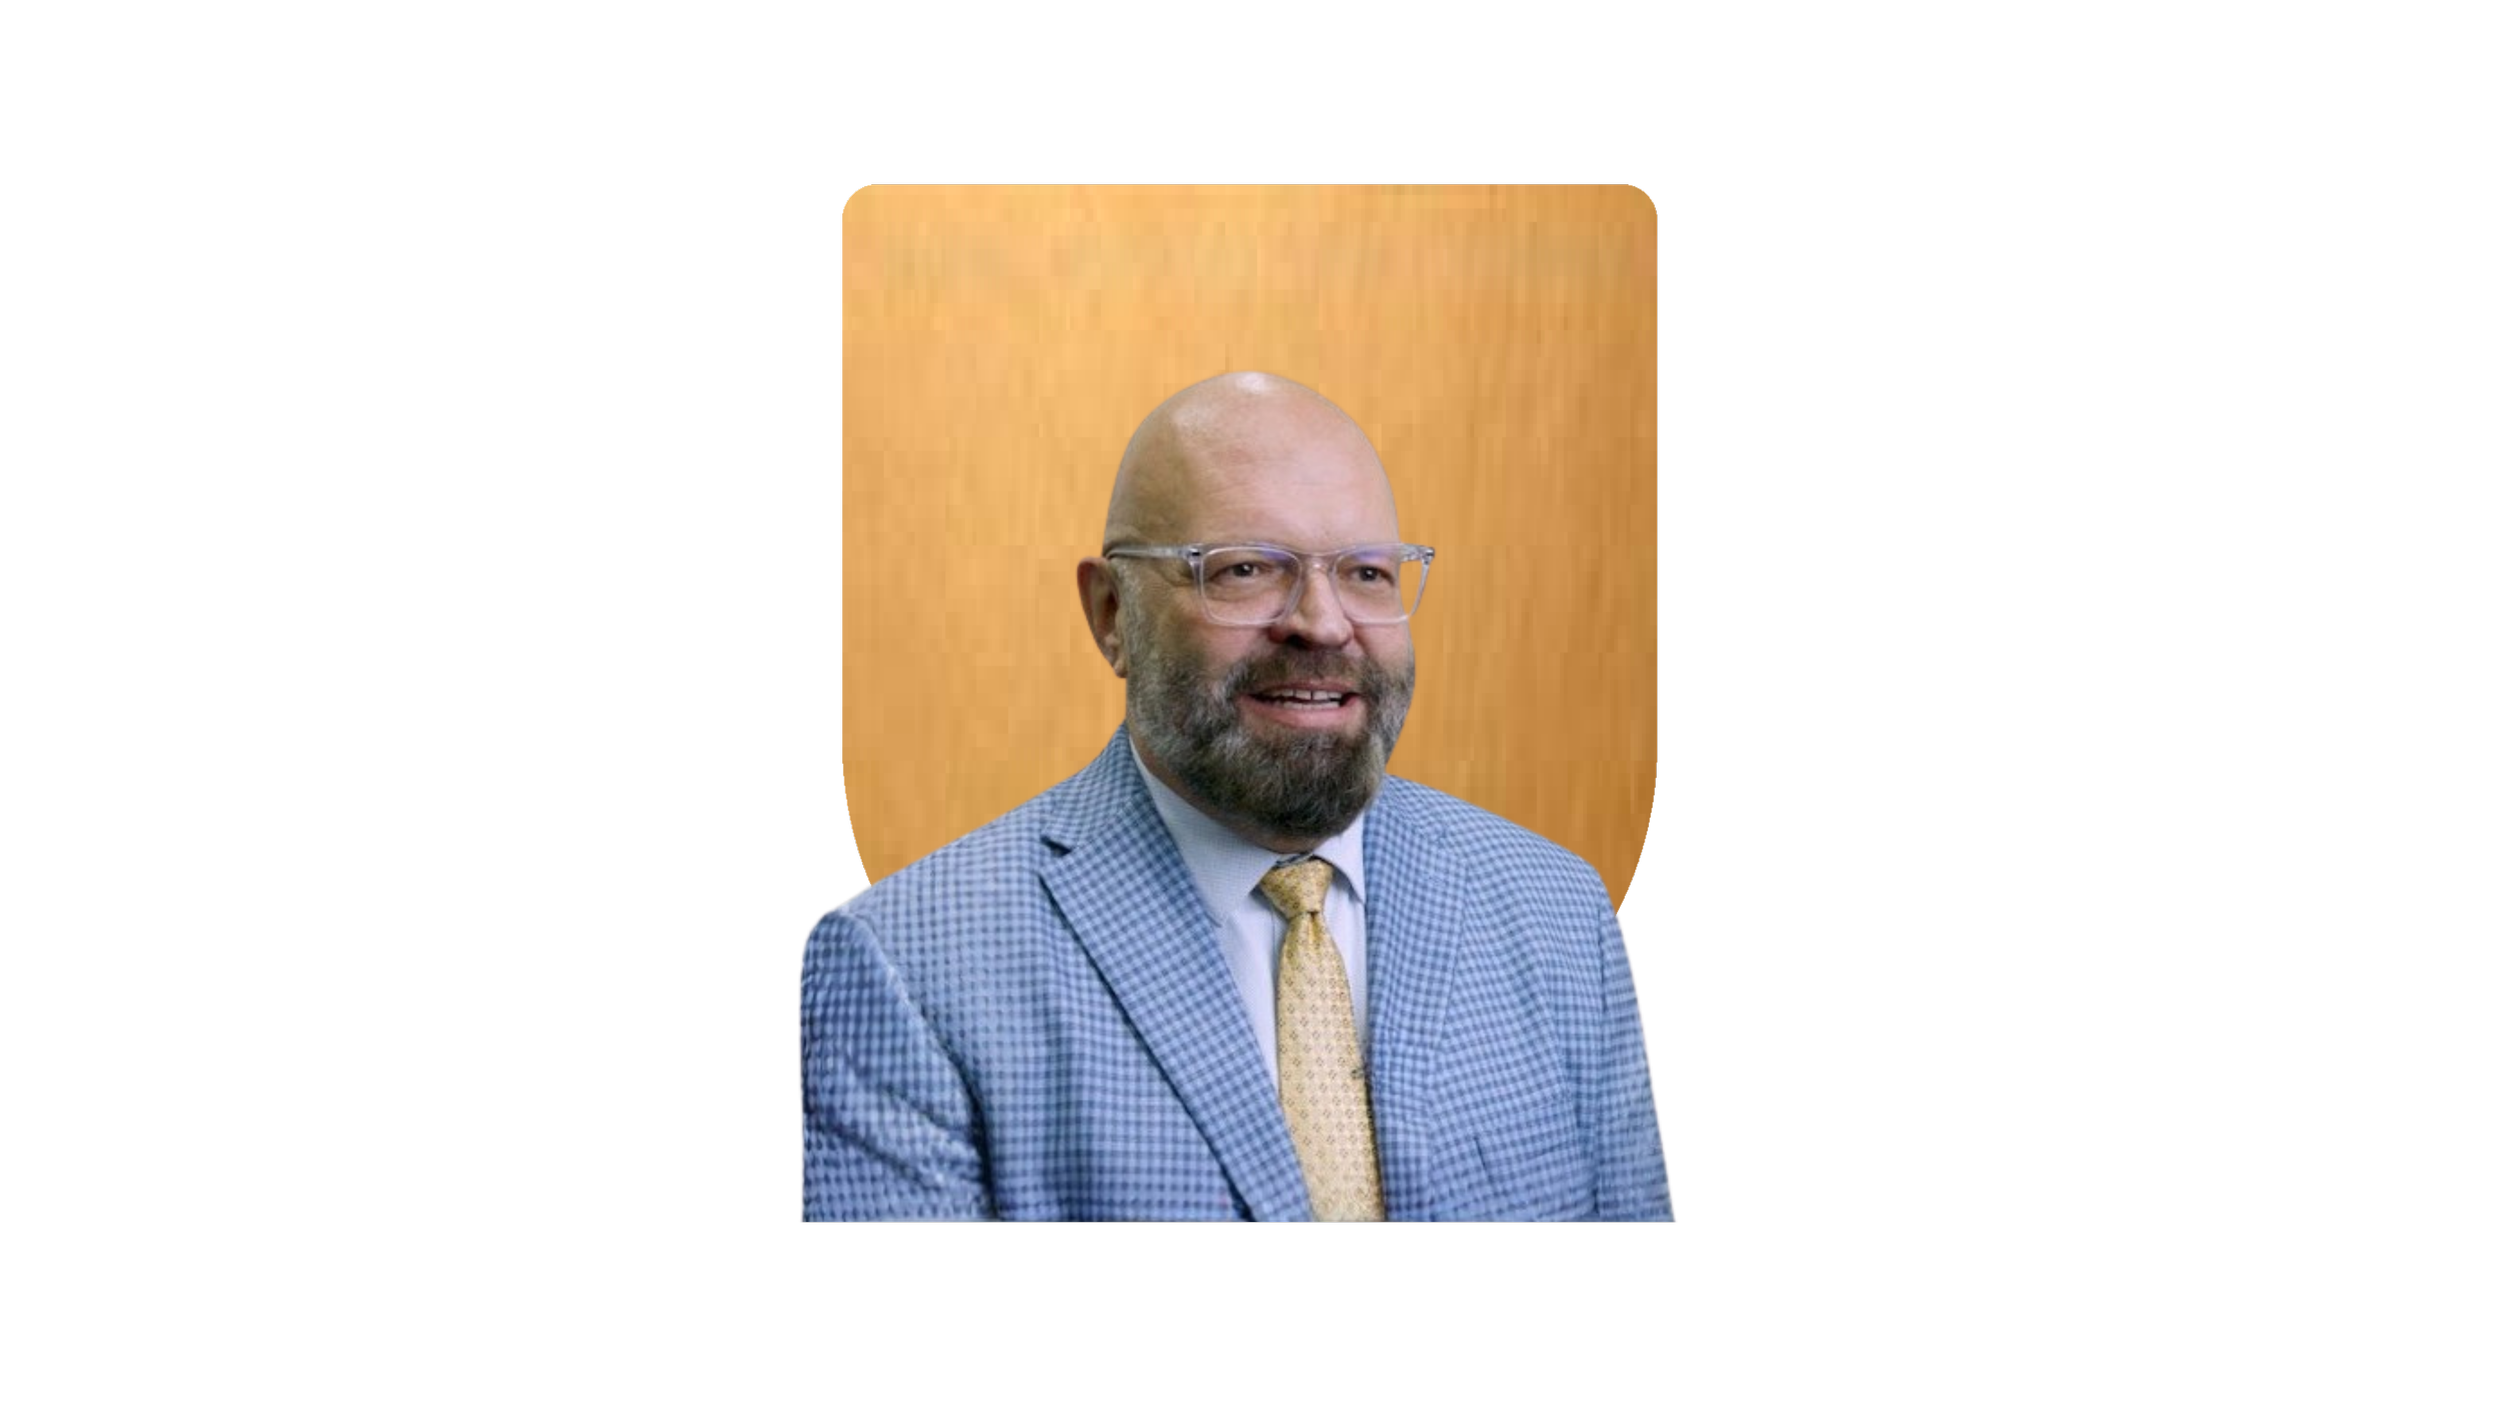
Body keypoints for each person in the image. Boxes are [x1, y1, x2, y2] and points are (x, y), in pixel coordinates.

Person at [800, 372, 1671, 1221]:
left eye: (1367, 572)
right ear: (1111, 615)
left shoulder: (1557, 909)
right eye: (1247, 569)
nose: (1324, 623)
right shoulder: (907, 970)